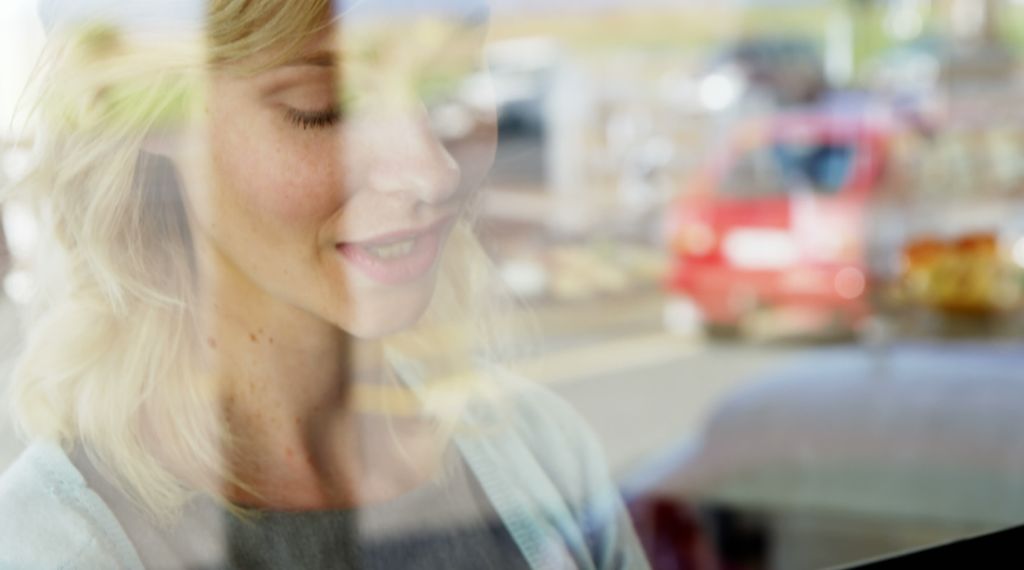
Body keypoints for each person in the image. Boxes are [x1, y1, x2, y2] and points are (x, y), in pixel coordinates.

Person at [0, 1, 647, 568]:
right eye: (326, 108)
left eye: (448, 90)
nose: (432, 170)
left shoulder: (544, 453)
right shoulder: (45, 548)